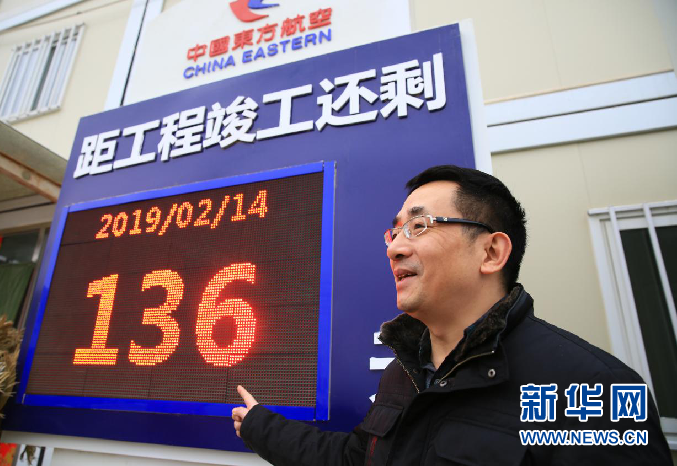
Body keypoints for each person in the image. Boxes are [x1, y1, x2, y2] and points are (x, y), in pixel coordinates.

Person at [231, 165, 672, 465]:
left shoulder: (594, 392)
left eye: (419, 226)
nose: (395, 247)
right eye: (395, 231)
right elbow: (354, 458)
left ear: (491, 252)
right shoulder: (403, 374)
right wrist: (259, 426)